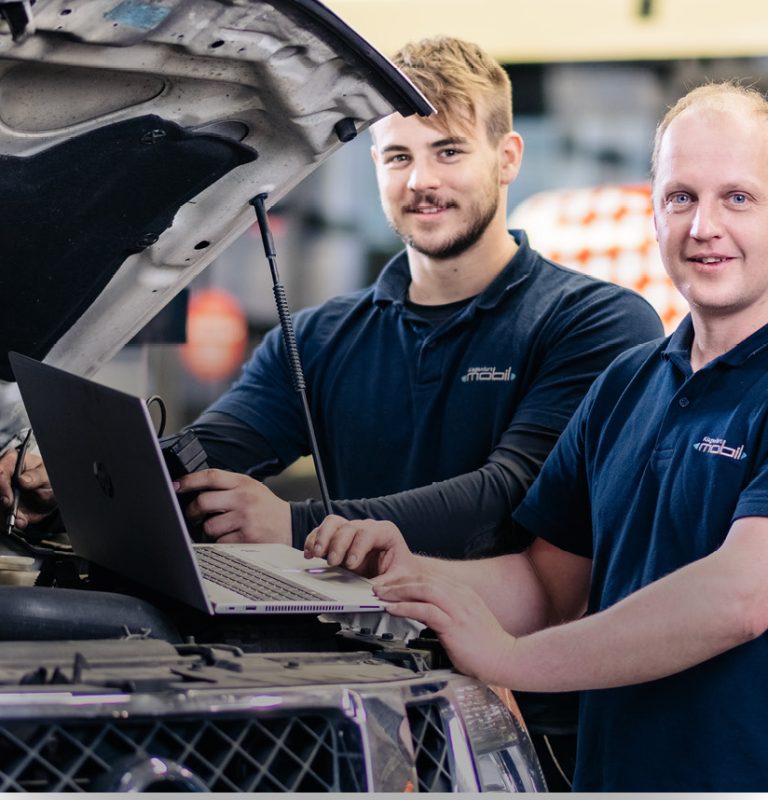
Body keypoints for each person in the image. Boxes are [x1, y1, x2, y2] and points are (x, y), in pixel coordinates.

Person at [0, 36, 661, 790]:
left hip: (519, 726)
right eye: (398, 157)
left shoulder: (595, 322)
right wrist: (72, 473)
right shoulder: (320, 335)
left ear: (507, 156)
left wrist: (297, 527)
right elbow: (222, 441)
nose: (422, 181)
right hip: (355, 699)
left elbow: (507, 494)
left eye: (448, 151)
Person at [304, 80, 768, 792]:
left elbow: (741, 597)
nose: (704, 226)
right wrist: (410, 575)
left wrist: (513, 661)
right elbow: (547, 585)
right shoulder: (625, 385)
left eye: (738, 197)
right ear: (653, 209)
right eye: (681, 197)